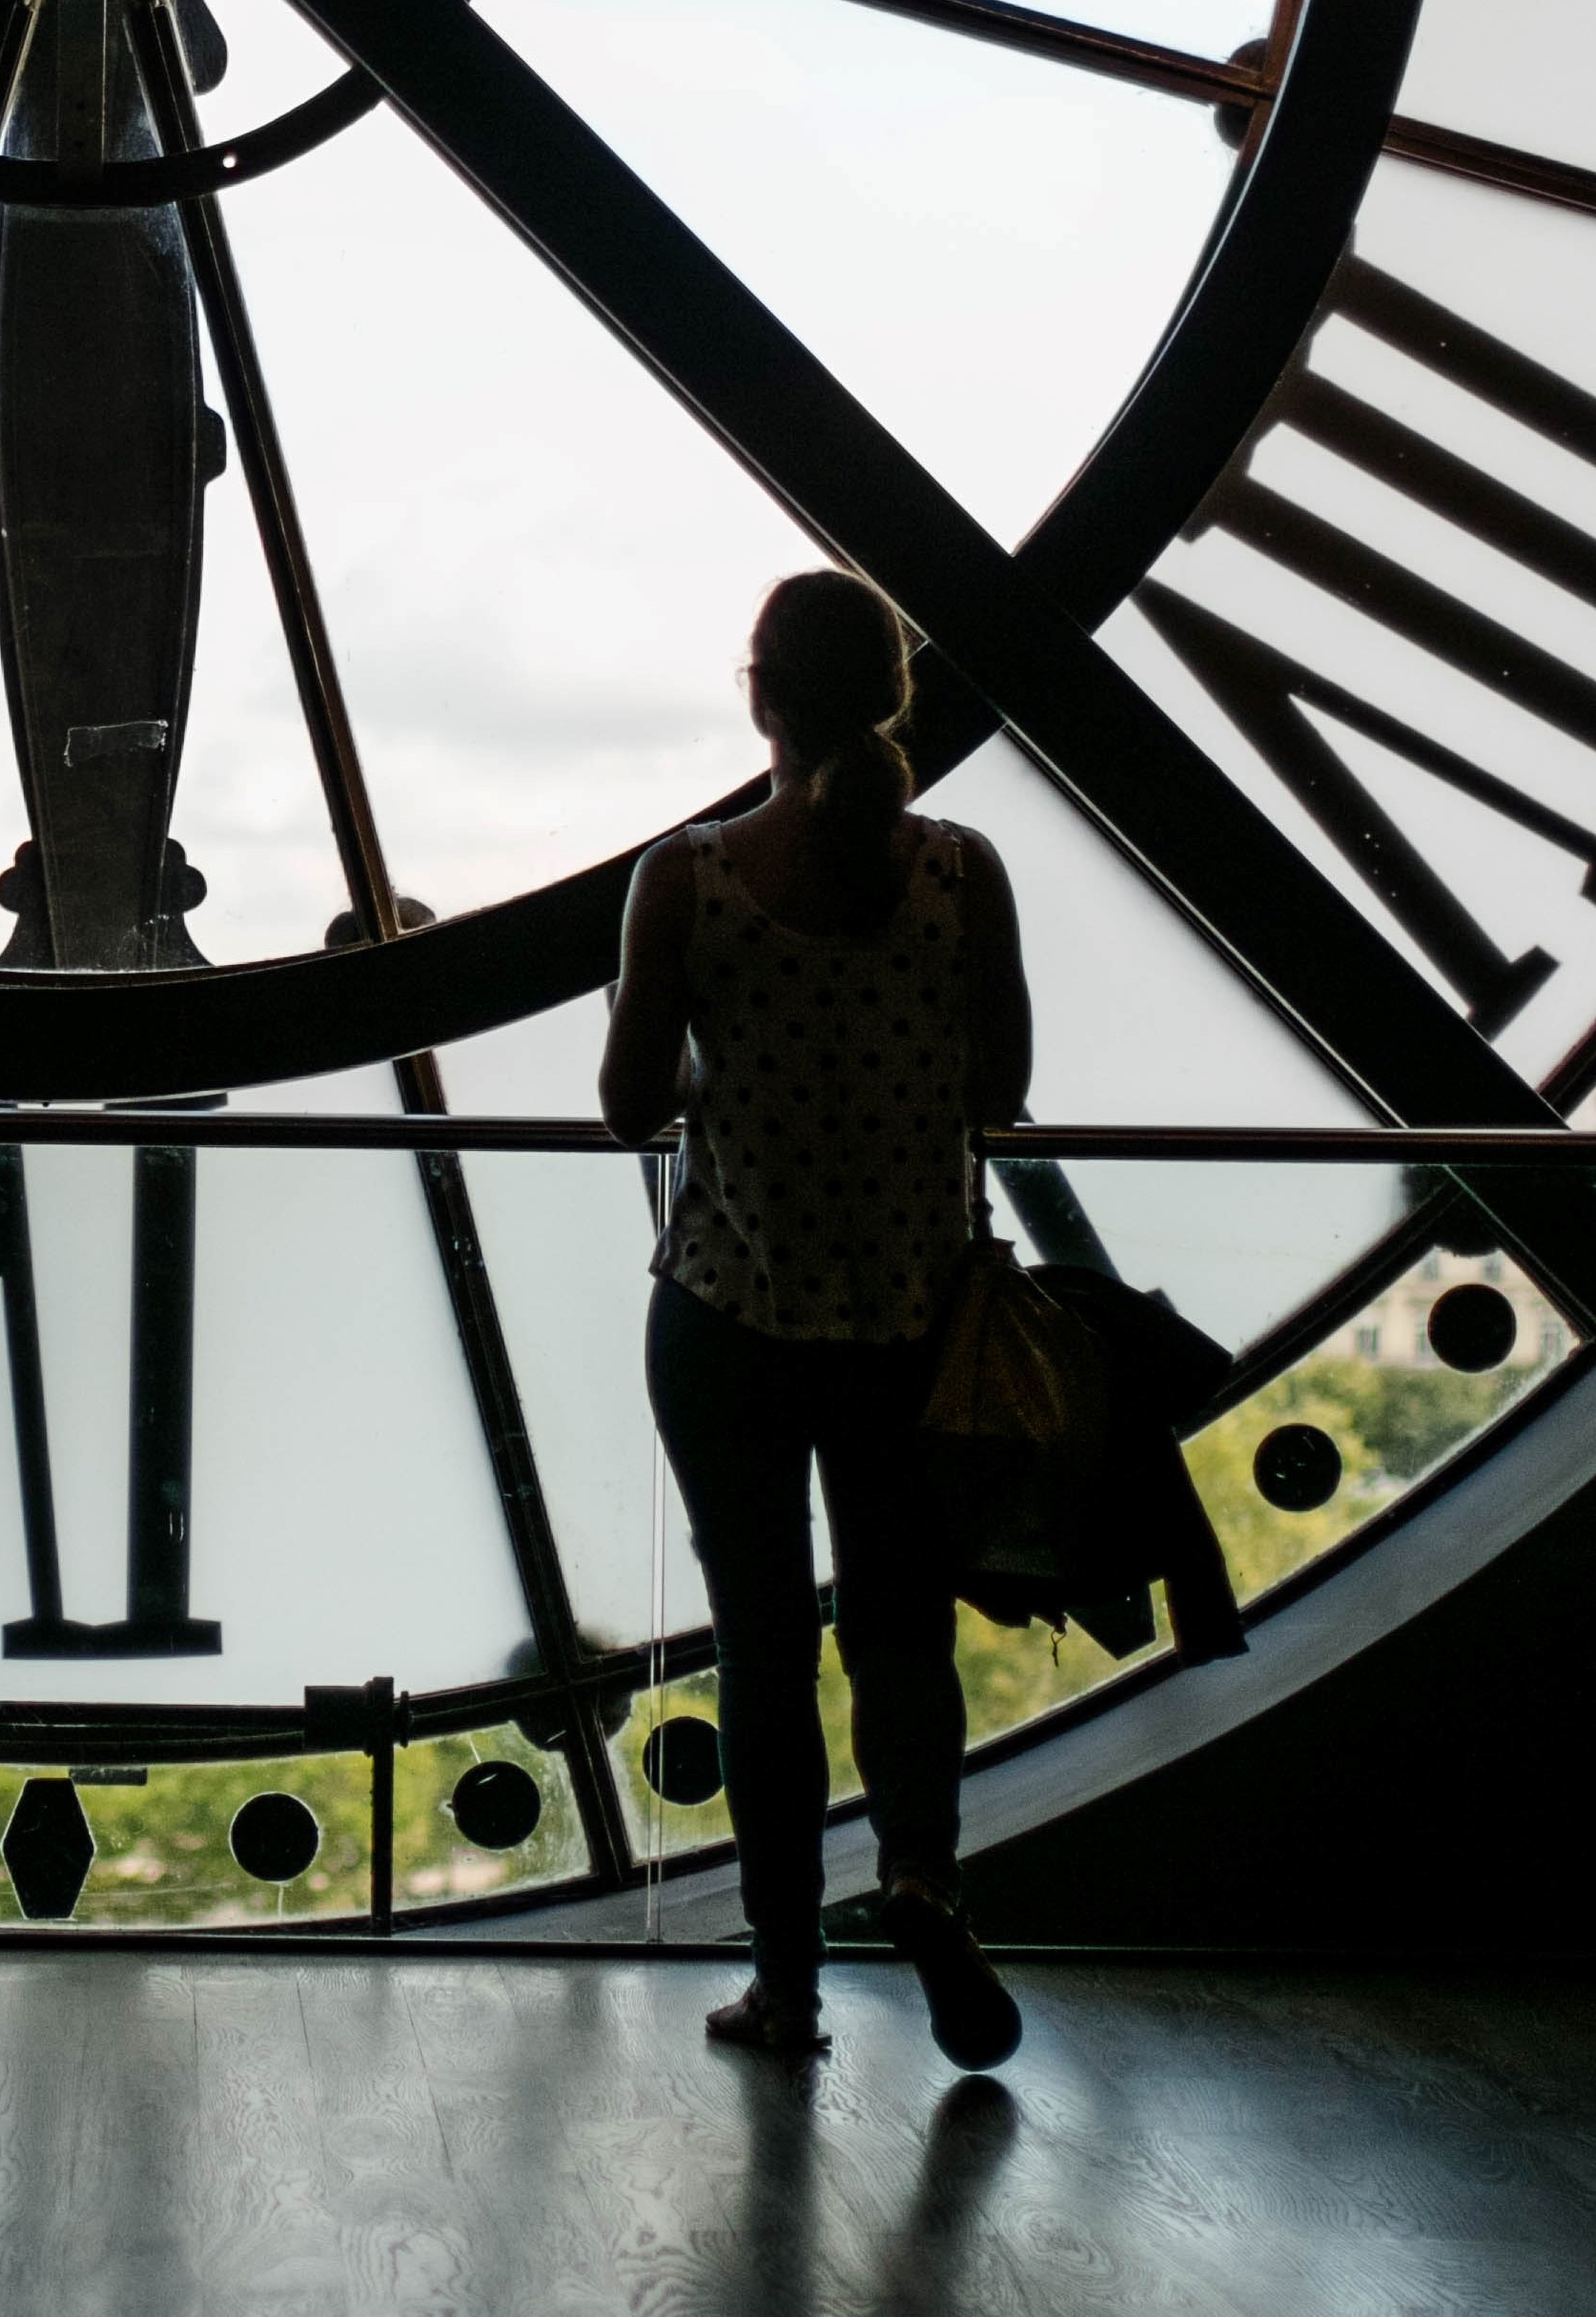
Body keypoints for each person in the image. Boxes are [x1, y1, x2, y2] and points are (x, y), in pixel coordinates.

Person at [599, 569, 1035, 2067]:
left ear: (759, 697)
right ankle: (921, 1872)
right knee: (903, 1634)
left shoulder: (692, 877)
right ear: (896, 697)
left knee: (762, 1649)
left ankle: (785, 1981)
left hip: (730, 1314)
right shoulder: (962, 874)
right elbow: (1001, 1095)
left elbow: (627, 1106)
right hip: (913, 1320)